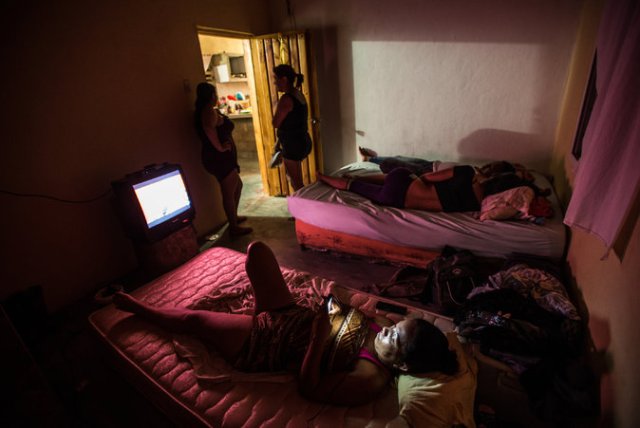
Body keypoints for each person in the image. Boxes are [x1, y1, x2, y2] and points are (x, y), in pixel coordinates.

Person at [112, 241, 458, 406]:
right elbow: (362, 313)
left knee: (193, 320)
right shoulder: (383, 327)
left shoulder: (368, 380)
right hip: (291, 315)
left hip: (266, 345)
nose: (386, 328)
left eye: (393, 337)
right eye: (396, 326)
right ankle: (262, 310)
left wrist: (316, 341)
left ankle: (135, 307)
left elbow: (309, 388)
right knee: (258, 250)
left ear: (401, 364)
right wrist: (335, 305)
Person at [194, 82, 252, 237]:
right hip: (219, 159)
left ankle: (233, 217)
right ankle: (233, 227)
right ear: (211, 96)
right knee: (228, 192)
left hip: (221, 158)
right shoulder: (208, 111)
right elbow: (208, 130)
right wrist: (220, 147)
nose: (217, 97)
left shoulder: (208, 111)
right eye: (215, 94)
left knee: (237, 186)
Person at [319, 165, 485, 213]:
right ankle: (326, 178)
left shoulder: (468, 172)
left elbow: (427, 177)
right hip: (395, 200)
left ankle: (356, 176)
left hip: (405, 183)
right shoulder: (478, 205)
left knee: (393, 177)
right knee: (353, 187)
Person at [272, 64, 313, 191]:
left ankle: (304, 209)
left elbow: (276, 123)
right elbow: (291, 124)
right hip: (303, 141)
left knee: (297, 184)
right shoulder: (298, 94)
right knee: (294, 180)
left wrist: (277, 106)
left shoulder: (286, 99)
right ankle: (302, 206)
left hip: (293, 145)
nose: (274, 83)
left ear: (284, 79)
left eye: (276, 79)